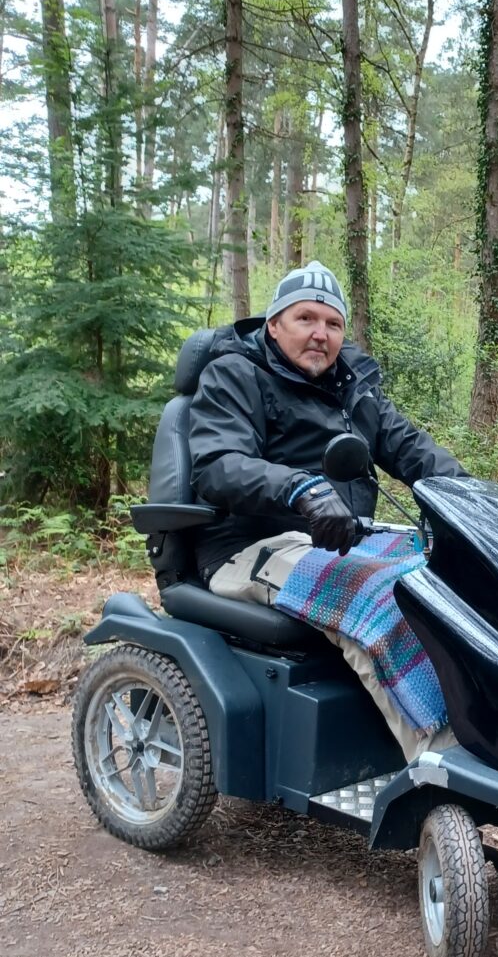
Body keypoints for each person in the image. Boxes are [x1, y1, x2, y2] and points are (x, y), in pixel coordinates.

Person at [188, 261, 465, 758]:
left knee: (451, 576)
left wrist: (473, 497)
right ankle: (438, 763)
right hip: (250, 544)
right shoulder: (235, 374)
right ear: (274, 324)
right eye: (306, 319)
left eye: (333, 323)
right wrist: (299, 488)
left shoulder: (352, 389)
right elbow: (218, 465)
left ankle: (485, 725)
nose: (321, 334)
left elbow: (411, 449)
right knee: (376, 593)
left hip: (343, 539)